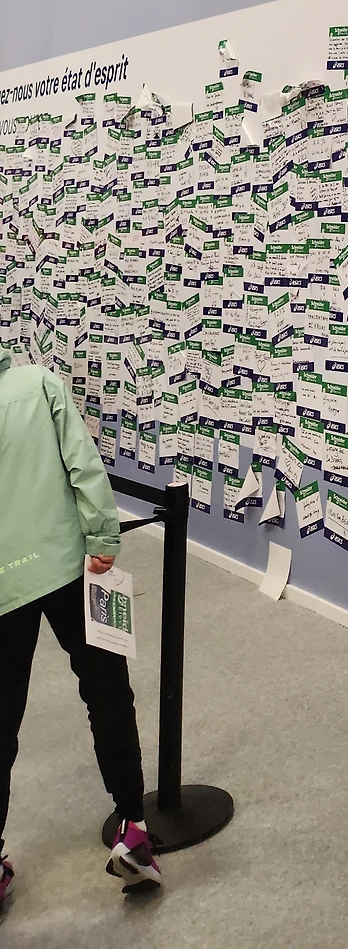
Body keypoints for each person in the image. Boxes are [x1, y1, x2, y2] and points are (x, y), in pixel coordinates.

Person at [0, 346, 162, 904]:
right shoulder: (38, 383)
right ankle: (134, 832)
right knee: (107, 692)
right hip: (73, 568)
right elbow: (83, 465)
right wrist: (103, 536)